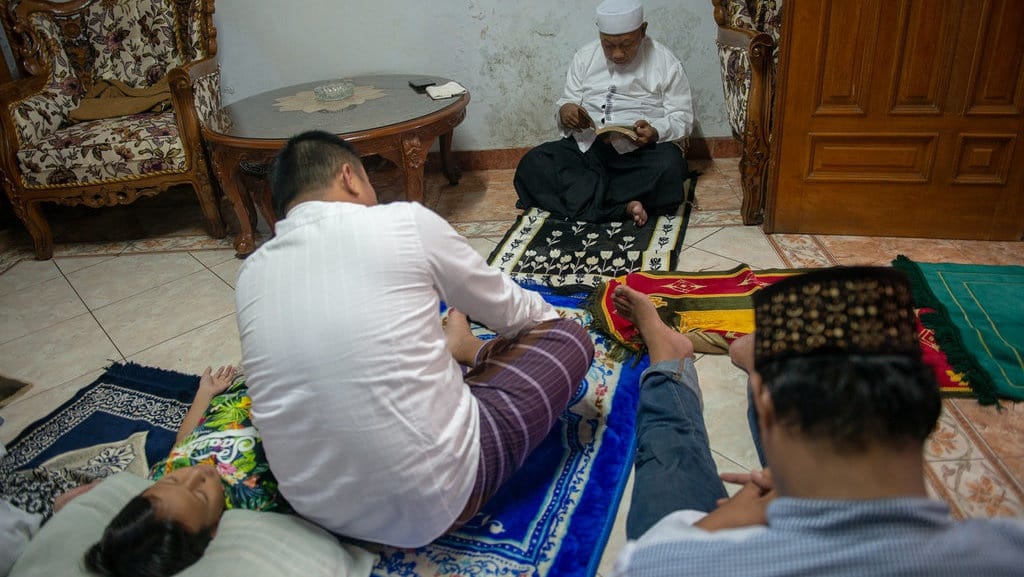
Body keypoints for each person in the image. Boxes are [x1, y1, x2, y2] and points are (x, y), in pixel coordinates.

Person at [234, 130, 595, 548]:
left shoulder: (251, 275)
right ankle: (469, 349)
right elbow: (517, 313)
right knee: (567, 338)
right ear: (350, 177)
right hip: (437, 501)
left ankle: (460, 352)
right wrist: (538, 337)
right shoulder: (403, 222)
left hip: (317, 511)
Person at [609, 268, 1024, 576]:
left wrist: (745, 513)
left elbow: (655, 551)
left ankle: (673, 359)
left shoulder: (664, 563)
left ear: (764, 408)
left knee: (672, 443)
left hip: (719, 529)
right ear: (929, 414)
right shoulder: (1008, 552)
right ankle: (760, 366)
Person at [77, 366, 291, 577]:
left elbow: (183, 442)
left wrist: (205, 393)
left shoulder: (161, 475)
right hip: (282, 396)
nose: (196, 473)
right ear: (214, 529)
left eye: (172, 481)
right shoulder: (255, 500)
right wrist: (275, 426)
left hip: (237, 388)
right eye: (201, 494)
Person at [513, 0, 694, 226]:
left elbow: (683, 117)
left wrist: (655, 132)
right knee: (533, 165)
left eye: (626, 44)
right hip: (587, 150)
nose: (617, 54)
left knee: (670, 167)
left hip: (638, 155)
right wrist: (565, 111)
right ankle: (623, 206)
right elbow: (568, 100)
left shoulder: (666, 62)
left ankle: (591, 201)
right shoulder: (584, 57)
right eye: (608, 45)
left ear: (643, 30)